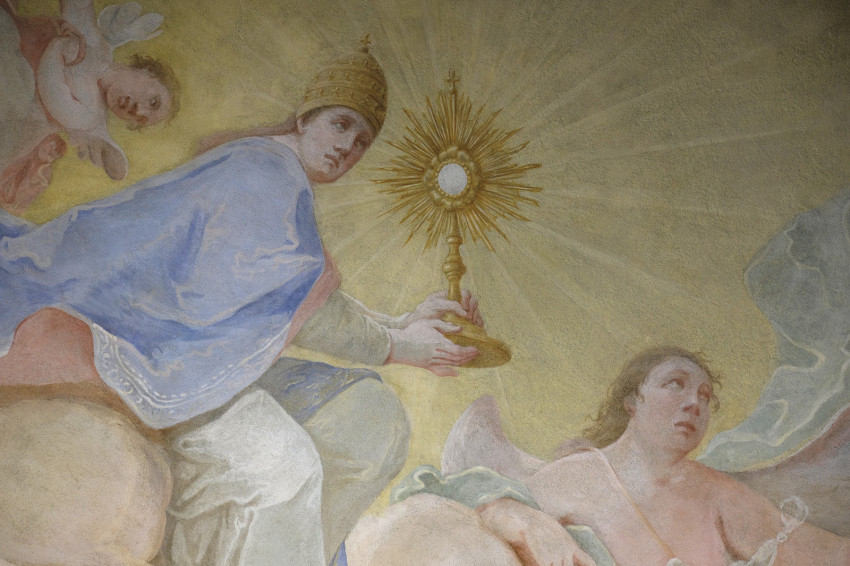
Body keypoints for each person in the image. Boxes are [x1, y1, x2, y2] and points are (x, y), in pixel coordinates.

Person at [0, 37, 481, 566]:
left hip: (205, 358)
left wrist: (401, 323)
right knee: (283, 467)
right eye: (341, 124)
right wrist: (400, 346)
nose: (348, 146)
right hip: (161, 355)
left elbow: (291, 295)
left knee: (374, 418)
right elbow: (303, 307)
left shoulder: (277, 178)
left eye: (362, 140)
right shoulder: (262, 173)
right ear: (306, 119)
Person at [359, 346, 850, 566]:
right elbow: (485, 514)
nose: (693, 404)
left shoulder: (719, 494)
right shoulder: (582, 476)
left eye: (704, 396)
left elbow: (826, 555)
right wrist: (519, 517)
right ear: (633, 401)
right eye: (676, 385)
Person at [1, 0, 178, 212]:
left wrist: (57, 48)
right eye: (153, 102)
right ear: (146, 71)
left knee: (17, 83)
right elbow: (77, 8)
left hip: (13, 114)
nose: (138, 111)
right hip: (13, 50)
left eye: (141, 119)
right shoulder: (98, 47)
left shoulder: (91, 116)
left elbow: (53, 95)